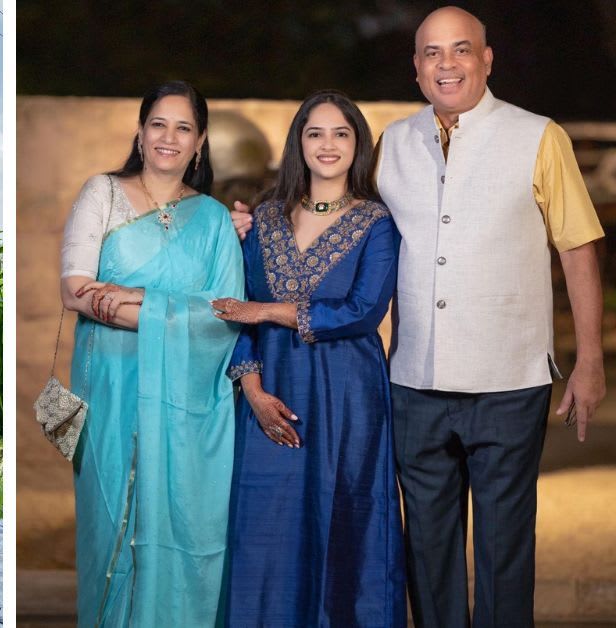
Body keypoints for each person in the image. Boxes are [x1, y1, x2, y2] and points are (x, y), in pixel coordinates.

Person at [375, 7, 606, 627]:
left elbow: (578, 248)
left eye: (460, 50)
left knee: (505, 552)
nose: (446, 64)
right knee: (426, 549)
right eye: (431, 53)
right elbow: (349, 232)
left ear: (486, 59)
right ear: (417, 69)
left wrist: (589, 361)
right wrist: (261, 225)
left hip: (509, 382)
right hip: (414, 383)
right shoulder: (392, 142)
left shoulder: (538, 135)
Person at [213, 90, 406, 626]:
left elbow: (364, 311)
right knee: (263, 527)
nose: (327, 145)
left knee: (344, 518)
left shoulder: (376, 222)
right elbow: (237, 311)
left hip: (348, 395)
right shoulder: (265, 218)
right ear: (298, 142)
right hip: (268, 391)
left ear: (357, 145)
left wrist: (271, 311)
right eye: (315, 133)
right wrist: (251, 391)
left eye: (341, 134)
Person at [59, 80, 244, 626]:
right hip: (111, 388)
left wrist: (136, 298)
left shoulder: (211, 219)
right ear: (140, 134)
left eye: (184, 127)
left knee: (184, 524)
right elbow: (75, 291)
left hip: (187, 400)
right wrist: (167, 310)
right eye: (159, 124)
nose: (170, 137)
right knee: (110, 523)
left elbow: (227, 311)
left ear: (200, 143)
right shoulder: (103, 193)